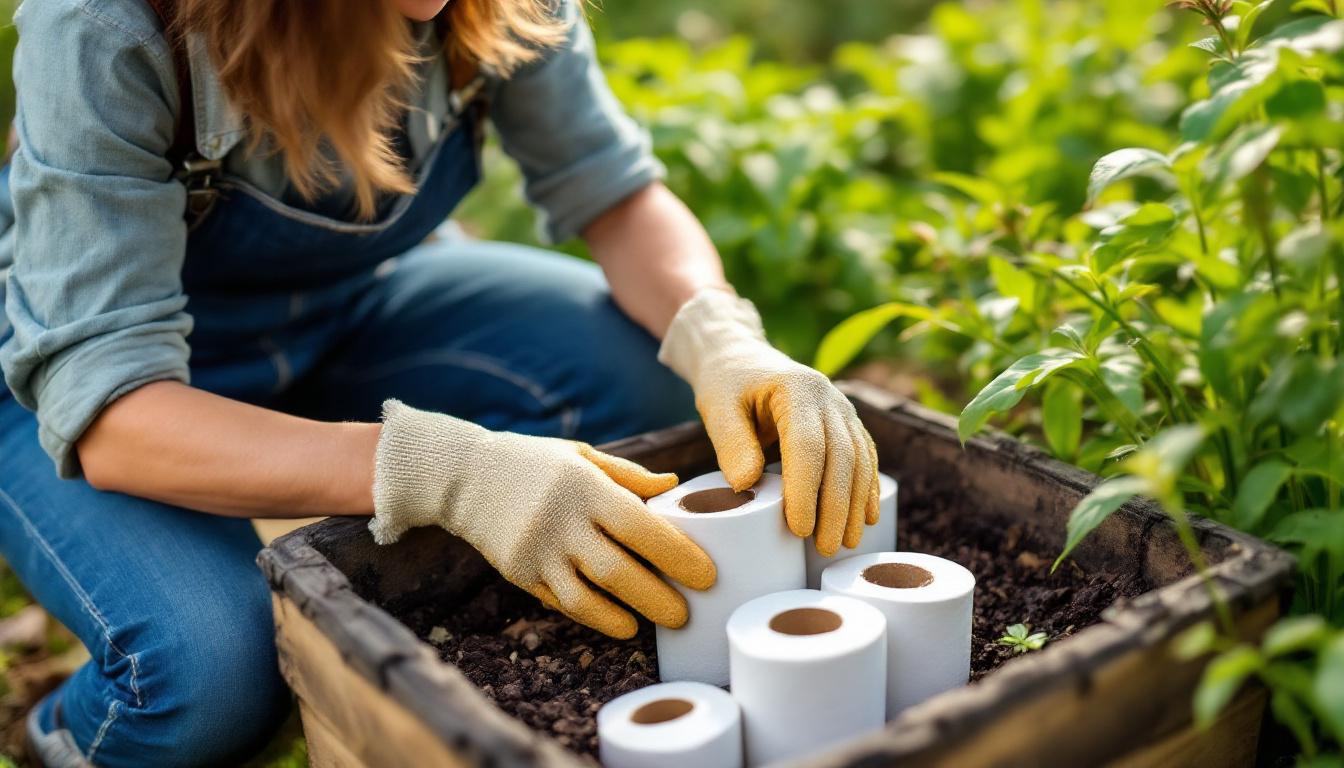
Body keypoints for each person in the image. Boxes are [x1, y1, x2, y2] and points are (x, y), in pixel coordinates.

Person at [0, 0, 881, 764]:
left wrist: (725, 342)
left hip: (346, 314)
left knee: (642, 379)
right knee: (210, 673)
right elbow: (112, 410)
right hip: (89, 396)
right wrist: (447, 471)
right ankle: (61, 738)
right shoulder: (113, 23)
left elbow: (611, 191)